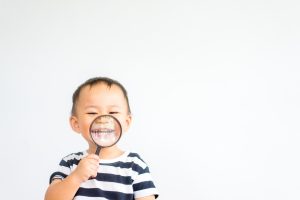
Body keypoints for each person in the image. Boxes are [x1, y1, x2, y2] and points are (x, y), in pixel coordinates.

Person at [45, 77, 159, 200]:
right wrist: (76, 177)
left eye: (113, 112)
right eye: (92, 113)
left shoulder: (135, 166)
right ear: (76, 123)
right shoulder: (70, 163)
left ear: (126, 122)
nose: (103, 119)